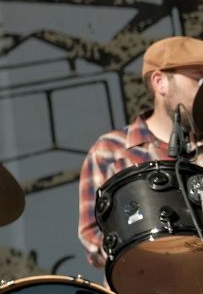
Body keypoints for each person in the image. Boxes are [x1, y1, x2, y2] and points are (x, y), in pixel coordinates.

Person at [78, 35, 203, 268]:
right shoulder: (110, 150)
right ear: (160, 82)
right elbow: (92, 237)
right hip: (147, 293)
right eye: (198, 79)